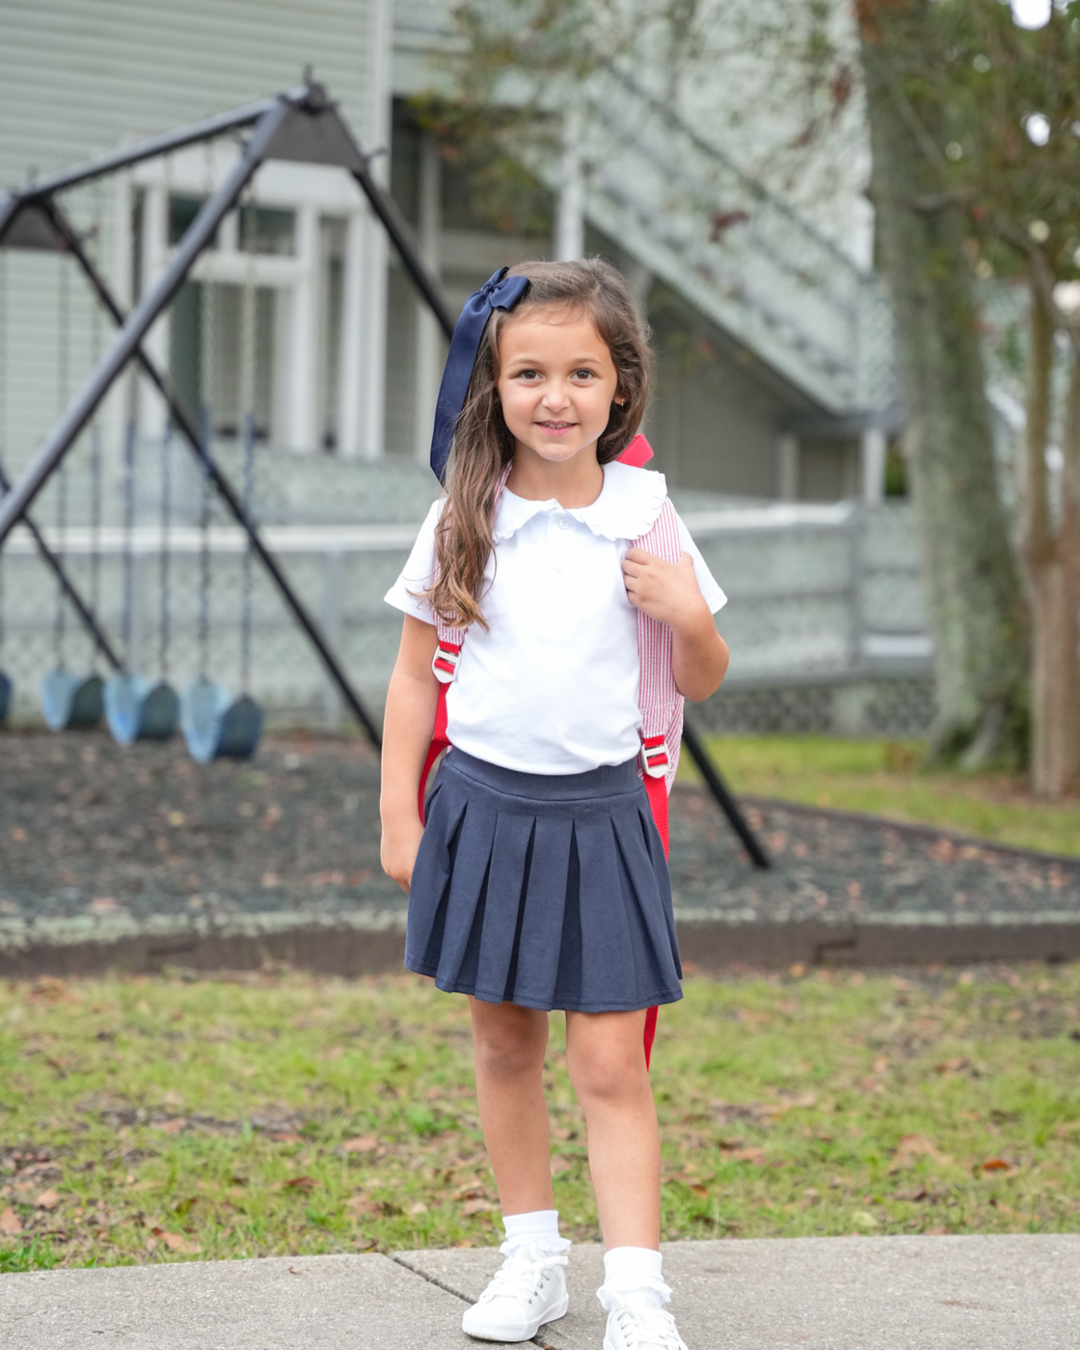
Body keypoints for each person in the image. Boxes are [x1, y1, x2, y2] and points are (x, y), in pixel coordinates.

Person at [380, 258, 729, 1350]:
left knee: (612, 1061)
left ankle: (636, 1288)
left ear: (620, 387)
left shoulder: (647, 518)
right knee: (504, 1047)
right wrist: (400, 814)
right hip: (481, 810)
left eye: (583, 372)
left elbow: (707, 677)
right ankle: (531, 1259)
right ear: (495, 385)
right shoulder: (460, 519)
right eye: (529, 372)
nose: (556, 396)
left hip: (606, 814)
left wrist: (688, 617)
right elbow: (408, 677)